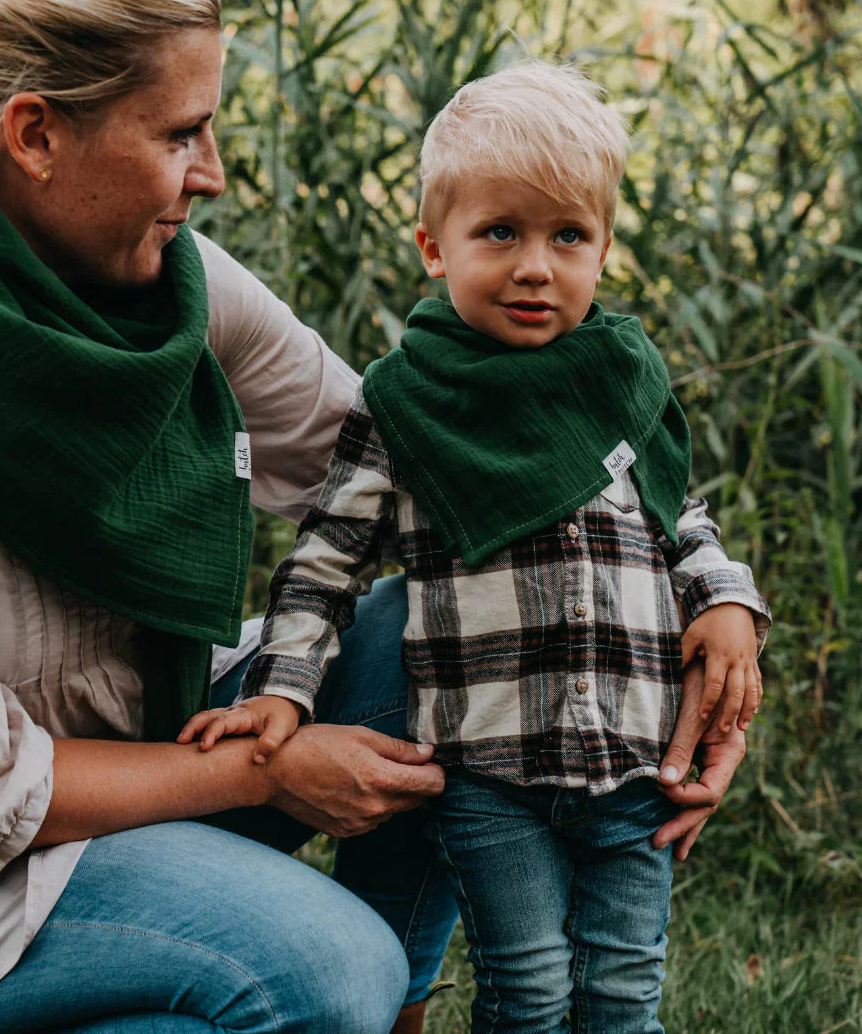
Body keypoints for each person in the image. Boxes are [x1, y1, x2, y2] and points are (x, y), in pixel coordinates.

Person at [0, 0, 745, 1026]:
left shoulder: (176, 290)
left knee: (419, 631)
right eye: (180, 134)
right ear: (36, 135)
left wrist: (698, 625)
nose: (214, 173)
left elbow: (431, 470)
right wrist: (264, 770)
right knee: (328, 971)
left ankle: (379, 1011)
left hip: (142, 751)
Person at [182, 61, 771, 1034]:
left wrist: (725, 597)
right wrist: (284, 691)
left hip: (631, 759)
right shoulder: (407, 405)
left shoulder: (618, 380)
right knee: (527, 990)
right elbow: (325, 565)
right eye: (500, 232)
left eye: (567, 236)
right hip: (491, 769)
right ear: (433, 246)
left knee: (625, 991)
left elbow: (679, 517)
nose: (535, 265)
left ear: (604, 248)